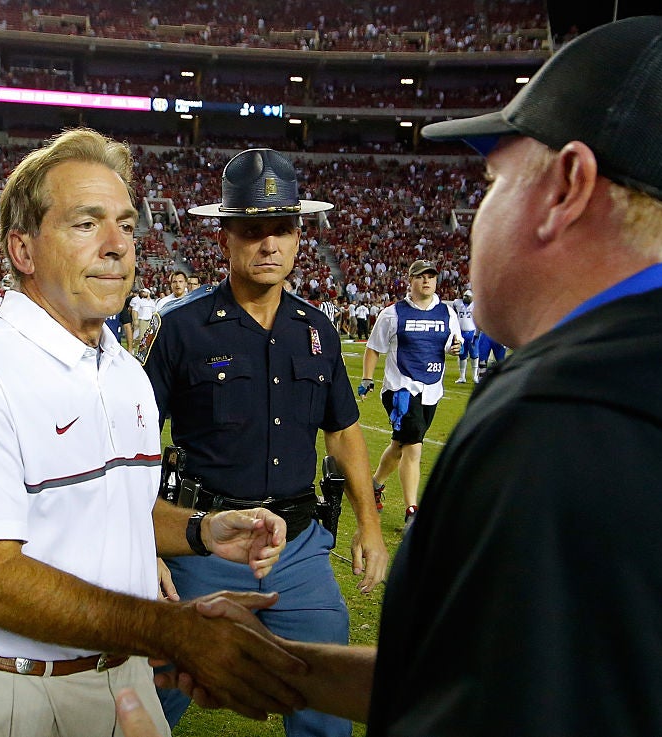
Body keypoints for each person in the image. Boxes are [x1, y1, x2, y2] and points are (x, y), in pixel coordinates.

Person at [173, 16, 662, 736]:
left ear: (568, 186)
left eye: (493, 180)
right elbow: (524, 681)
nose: (480, 213)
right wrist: (296, 669)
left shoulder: (571, 418)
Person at [0, 128, 308, 737]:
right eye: (86, 224)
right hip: (20, 689)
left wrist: (201, 531)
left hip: (128, 674)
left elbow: (119, 509)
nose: (120, 245)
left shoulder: (122, 369)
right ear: (23, 249)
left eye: (126, 223)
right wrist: (171, 630)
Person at [141, 147, 388, 737]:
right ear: (225, 236)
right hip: (200, 545)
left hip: (299, 548)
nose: (269, 245)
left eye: (282, 229)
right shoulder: (182, 327)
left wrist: (370, 527)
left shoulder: (317, 329)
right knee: (151, 696)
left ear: (300, 236)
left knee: (324, 696)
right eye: (253, 230)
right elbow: (136, 440)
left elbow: (345, 433)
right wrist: (143, 543)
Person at [359, 259, 461, 526]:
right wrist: (367, 378)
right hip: (400, 389)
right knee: (414, 447)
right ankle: (412, 512)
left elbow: (454, 342)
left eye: (431, 276)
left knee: (400, 445)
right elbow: (374, 347)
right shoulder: (393, 313)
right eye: (420, 276)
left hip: (431, 390)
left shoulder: (447, 314)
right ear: (410, 280)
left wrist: (455, 349)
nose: (426, 281)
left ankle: (375, 485)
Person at [449, 289, 477, 383]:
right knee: (462, 355)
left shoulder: (475, 305)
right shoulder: (457, 303)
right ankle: (462, 377)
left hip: (472, 332)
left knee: (474, 355)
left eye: (467, 297)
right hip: (461, 333)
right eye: (465, 296)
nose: (465, 298)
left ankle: (475, 376)